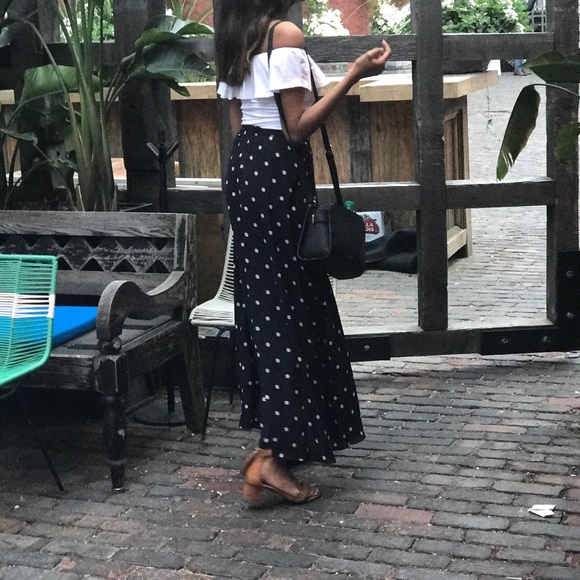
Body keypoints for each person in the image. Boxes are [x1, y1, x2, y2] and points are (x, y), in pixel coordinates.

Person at [215, 0, 391, 504]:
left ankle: (278, 439)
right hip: (277, 168)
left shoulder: (235, 34)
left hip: (245, 167)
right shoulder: (284, 34)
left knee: (268, 306)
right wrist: (353, 74)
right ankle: (273, 455)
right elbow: (296, 126)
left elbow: (238, 122)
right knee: (290, 308)